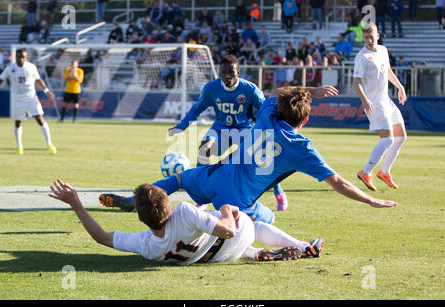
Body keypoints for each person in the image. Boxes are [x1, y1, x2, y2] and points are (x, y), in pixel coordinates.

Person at [99, 85, 398, 226]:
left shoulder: (268, 111)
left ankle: (135, 200)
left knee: (177, 178)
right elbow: (338, 182)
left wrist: (310, 90)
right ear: (304, 121)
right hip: (236, 200)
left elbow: (283, 91)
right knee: (268, 220)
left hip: (210, 175)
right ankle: (191, 217)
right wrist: (371, 200)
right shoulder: (302, 148)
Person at [51, 179, 328, 264]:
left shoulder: (145, 244)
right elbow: (229, 230)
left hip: (213, 257)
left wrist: (76, 203)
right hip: (231, 238)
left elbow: (102, 237)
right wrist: (225, 209)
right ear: (167, 204)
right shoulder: (183, 211)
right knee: (250, 222)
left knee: (223, 240)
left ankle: (255, 254)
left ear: (142, 218)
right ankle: (304, 246)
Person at [167, 55, 289, 211]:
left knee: (262, 157)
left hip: (244, 129)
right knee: (204, 149)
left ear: (238, 72)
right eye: (224, 72)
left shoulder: (249, 89)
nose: (227, 76)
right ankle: (201, 196)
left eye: (231, 72)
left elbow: (265, 109)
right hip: (220, 130)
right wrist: (181, 127)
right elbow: (196, 109)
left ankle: (279, 192)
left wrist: (275, 127)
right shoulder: (211, 88)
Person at [353, 23, 407, 191]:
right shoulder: (362, 56)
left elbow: (388, 71)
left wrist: (400, 86)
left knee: (401, 137)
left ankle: (385, 172)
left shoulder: (383, 50)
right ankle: (366, 172)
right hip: (375, 103)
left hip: (387, 101)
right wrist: (364, 99)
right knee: (388, 139)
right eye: (366, 37)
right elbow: (356, 83)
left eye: (371, 36)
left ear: (377, 35)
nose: (369, 40)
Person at [0, 48, 57, 155]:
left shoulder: (31, 67)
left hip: (31, 97)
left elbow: (38, 80)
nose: (21, 59)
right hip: (17, 99)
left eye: (23, 57)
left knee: (39, 118)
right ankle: (19, 146)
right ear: (16, 57)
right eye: (19, 57)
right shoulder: (10, 68)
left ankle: (49, 143)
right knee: (18, 122)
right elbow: (0, 79)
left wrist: (47, 91)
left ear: (26, 57)